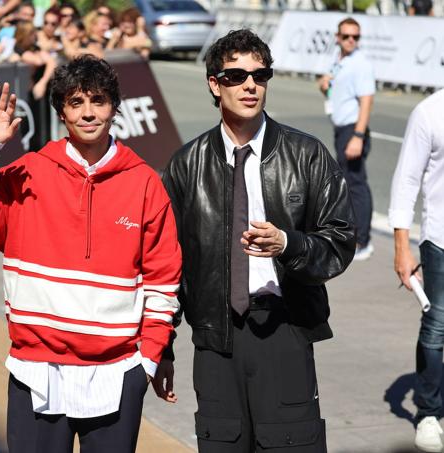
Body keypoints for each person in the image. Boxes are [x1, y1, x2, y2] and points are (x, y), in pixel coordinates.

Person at [0, 55, 181, 453]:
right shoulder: (29, 171)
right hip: (36, 372)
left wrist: (148, 359)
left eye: (98, 100)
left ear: (115, 108)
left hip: (116, 373)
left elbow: (163, 279)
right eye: (75, 102)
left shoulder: (145, 183)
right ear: (61, 112)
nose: (88, 113)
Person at [158, 29, 356, 452]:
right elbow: (166, 264)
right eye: (236, 76)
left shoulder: (307, 155)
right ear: (214, 83)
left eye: (260, 75)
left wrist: (290, 244)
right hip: (215, 336)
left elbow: (340, 243)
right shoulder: (185, 165)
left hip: (285, 329)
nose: (250, 85)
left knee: (290, 443)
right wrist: (163, 345)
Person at [389, 89, 444, 453]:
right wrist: (402, 247)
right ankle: (428, 412)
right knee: (436, 328)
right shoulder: (430, 112)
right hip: (441, 240)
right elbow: (407, 180)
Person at [319, 17, 375, 261]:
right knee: (349, 183)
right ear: (337, 37)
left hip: (353, 130)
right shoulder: (340, 59)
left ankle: (362, 240)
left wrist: (358, 136)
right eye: (346, 36)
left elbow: (366, 100)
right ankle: (355, 235)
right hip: (342, 129)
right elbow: (334, 89)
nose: (351, 40)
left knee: (356, 185)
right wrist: (325, 86)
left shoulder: (360, 63)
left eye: (356, 37)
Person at [10, 20, 56, 99]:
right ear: (23, 35)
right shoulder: (17, 48)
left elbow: (51, 62)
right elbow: (38, 61)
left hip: (38, 90)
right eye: (31, 33)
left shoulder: (35, 47)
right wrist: (40, 56)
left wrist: (43, 82)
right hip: (22, 92)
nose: (34, 35)